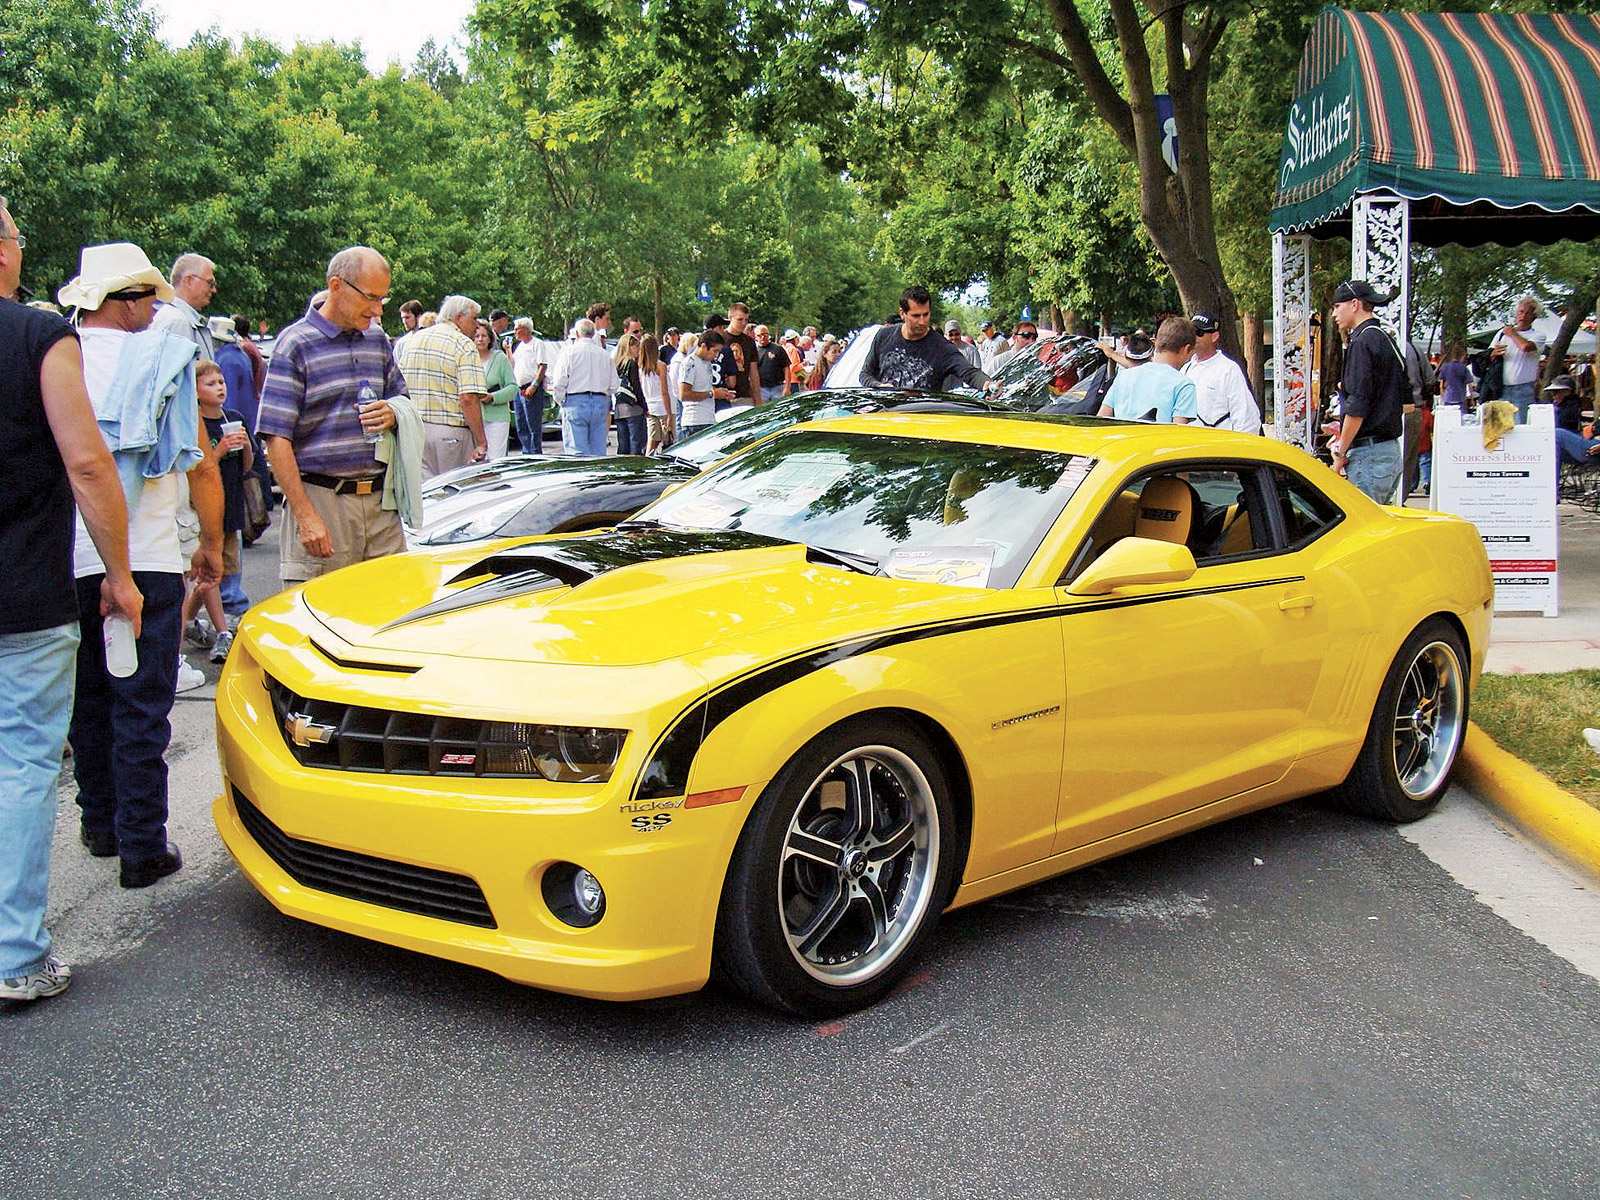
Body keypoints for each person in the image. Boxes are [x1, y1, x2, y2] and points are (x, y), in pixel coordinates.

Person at [0, 199, 143, 1002]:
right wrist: (119, 574)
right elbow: (88, 465)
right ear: (3, 253)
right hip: (22, 590)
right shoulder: (36, 336)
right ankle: (14, 954)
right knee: (22, 766)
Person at [56, 241, 225, 892]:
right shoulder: (163, 360)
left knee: (87, 698)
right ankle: (142, 847)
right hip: (145, 554)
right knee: (140, 705)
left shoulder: (56, 358)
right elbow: (201, 461)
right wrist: (209, 542)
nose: (157, 310)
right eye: (149, 297)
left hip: (68, 554)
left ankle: (99, 823)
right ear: (122, 303)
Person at [257, 247, 413, 587]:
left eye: (383, 300)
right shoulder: (295, 344)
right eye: (370, 297)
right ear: (336, 286)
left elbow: (402, 399)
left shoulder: (376, 339)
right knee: (322, 620)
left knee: (390, 614)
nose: (376, 310)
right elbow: (275, 437)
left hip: (381, 505)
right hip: (324, 503)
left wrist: (393, 411)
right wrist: (305, 515)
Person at [180, 359, 252, 662]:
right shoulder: (194, 424)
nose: (219, 388)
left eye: (221, 382)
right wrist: (219, 449)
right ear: (195, 391)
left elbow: (247, 467)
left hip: (230, 505)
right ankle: (222, 631)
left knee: (215, 573)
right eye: (210, 384)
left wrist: (246, 445)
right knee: (208, 572)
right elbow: (198, 469)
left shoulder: (232, 417)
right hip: (203, 510)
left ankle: (183, 623)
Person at [1328, 279, 1406, 502]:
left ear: (1354, 304)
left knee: (1364, 532)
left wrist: (1340, 452)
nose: (1334, 314)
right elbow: (1407, 400)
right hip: (1388, 451)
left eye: (1337, 306)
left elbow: (1358, 404)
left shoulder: (1362, 342)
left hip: (1368, 454)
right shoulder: (1384, 338)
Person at [396, 294, 489, 476]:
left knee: (424, 496)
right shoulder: (463, 345)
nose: (477, 324)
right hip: (451, 433)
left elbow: (400, 386)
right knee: (454, 496)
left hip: (416, 430)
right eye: (474, 318)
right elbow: (468, 398)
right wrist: (481, 441)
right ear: (458, 318)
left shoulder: (413, 340)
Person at [861, 286, 986, 391]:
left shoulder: (941, 347)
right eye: (916, 316)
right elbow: (865, 375)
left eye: (926, 314)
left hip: (922, 416)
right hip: (885, 415)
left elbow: (968, 372)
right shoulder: (884, 336)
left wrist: (987, 384)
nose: (922, 321)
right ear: (902, 313)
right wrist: (880, 386)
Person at [1098, 317, 1197, 424]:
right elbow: (1179, 433)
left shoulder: (1123, 376)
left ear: (1155, 342)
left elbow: (1101, 419)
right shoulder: (1184, 385)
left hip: (1122, 439)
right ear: (1186, 349)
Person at [1183, 312, 1260, 433]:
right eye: (1191, 333)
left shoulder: (1228, 370)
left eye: (1199, 333)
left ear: (1214, 336)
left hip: (1217, 447)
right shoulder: (1186, 370)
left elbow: (1246, 417)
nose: (1194, 338)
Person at [550, 317, 615, 456]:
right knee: (598, 449)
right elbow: (614, 384)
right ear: (593, 334)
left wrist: (561, 400)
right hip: (599, 400)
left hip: (575, 400)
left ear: (577, 334)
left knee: (576, 450)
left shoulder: (569, 352)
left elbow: (559, 381)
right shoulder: (605, 355)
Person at [149, 252, 217, 358]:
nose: (214, 290)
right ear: (188, 281)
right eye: (210, 283)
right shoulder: (178, 322)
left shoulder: (176, 318)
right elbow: (177, 373)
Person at [1490, 296, 1546, 422]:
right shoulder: (1501, 334)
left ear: (1534, 317)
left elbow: (1525, 347)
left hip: (1523, 388)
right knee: (1499, 427)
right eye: (1521, 312)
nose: (1523, 316)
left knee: (1520, 426)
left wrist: (1512, 333)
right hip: (1501, 387)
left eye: (1528, 313)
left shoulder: (1538, 335)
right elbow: (1489, 354)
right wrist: (1494, 354)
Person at [474, 318, 517, 460]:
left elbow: (512, 388)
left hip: (497, 418)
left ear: (490, 338)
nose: (480, 339)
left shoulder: (499, 358)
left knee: (493, 460)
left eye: (484, 336)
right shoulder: (467, 359)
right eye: (476, 336)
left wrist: (493, 397)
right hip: (474, 418)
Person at [678, 330, 732, 438]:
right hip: (695, 422)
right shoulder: (690, 363)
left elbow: (703, 387)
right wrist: (712, 394)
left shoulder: (707, 363)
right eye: (714, 351)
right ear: (703, 346)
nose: (716, 355)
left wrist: (721, 393)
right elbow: (683, 394)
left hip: (708, 419)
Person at [511, 318, 549, 454]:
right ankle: (526, 452)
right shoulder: (519, 347)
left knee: (533, 424)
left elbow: (542, 365)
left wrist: (534, 385)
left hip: (531, 387)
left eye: (517, 329)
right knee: (521, 424)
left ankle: (535, 454)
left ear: (526, 329)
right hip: (518, 388)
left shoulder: (537, 344)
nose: (515, 332)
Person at [612, 332, 649, 455]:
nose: (638, 350)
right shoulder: (631, 363)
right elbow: (636, 387)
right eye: (636, 347)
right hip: (633, 408)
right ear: (629, 347)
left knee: (623, 444)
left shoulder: (616, 364)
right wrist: (644, 407)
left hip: (619, 408)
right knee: (636, 443)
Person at [639, 332, 674, 452]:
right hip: (663, 407)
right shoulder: (661, 366)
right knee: (669, 440)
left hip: (650, 407)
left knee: (652, 440)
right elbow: (664, 391)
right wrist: (669, 413)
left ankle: (647, 461)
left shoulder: (640, 368)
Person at [724, 303, 763, 404]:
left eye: (746, 320)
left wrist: (758, 400)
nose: (744, 323)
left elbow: (754, 373)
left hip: (744, 395)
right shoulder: (720, 339)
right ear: (730, 317)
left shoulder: (749, 342)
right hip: (723, 396)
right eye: (740, 319)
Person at [666, 331, 697, 429]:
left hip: (685, 395)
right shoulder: (678, 359)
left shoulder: (687, 358)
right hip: (679, 396)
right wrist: (679, 395)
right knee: (680, 421)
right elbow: (673, 380)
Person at [754, 324, 790, 402]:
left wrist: (787, 387)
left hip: (778, 386)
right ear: (756, 337)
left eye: (765, 334)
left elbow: (786, 368)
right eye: (759, 335)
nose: (762, 337)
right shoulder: (754, 351)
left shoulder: (778, 349)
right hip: (761, 388)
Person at [1437, 343, 1472, 408]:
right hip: (1460, 398)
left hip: (1448, 397)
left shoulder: (1445, 367)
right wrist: (1472, 400)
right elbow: (1469, 385)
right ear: (1462, 356)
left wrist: (1442, 398)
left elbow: (1441, 386)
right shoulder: (1464, 368)